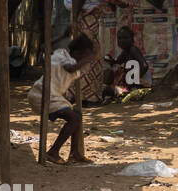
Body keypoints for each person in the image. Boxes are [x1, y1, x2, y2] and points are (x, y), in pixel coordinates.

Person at [28, 33, 97, 164]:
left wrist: (63, 35)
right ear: (77, 53)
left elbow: (45, 47)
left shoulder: (62, 55)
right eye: (84, 55)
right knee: (74, 117)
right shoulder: (65, 58)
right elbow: (69, 68)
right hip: (43, 94)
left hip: (47, 94)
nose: (85, 60)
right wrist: (89, 58)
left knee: (77, 116)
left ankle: (75, 153)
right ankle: (53, 152)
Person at [103, 26, 150, 100]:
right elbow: (117, 63)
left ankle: (128, 91)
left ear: (132, 39)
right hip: (132, 83)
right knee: (109, 88)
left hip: (141, 84)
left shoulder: (133, 50)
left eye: (125, 38)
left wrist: (134, 80)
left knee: (112, 92)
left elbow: (144, 66)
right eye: (120, 38)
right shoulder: (126, 51)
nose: (122, 41)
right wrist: (109, 60)